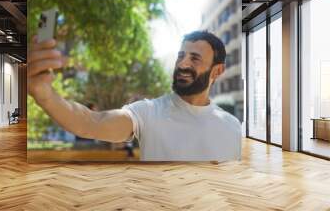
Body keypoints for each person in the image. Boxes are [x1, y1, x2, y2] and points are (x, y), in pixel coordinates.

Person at [28, 30, 241, 161]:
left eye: (194, 58)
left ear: (217, 71)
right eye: (180, 56)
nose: (183, 64)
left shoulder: (231, 126)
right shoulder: (148, 112)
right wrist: (46, 96)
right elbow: (91, 122)